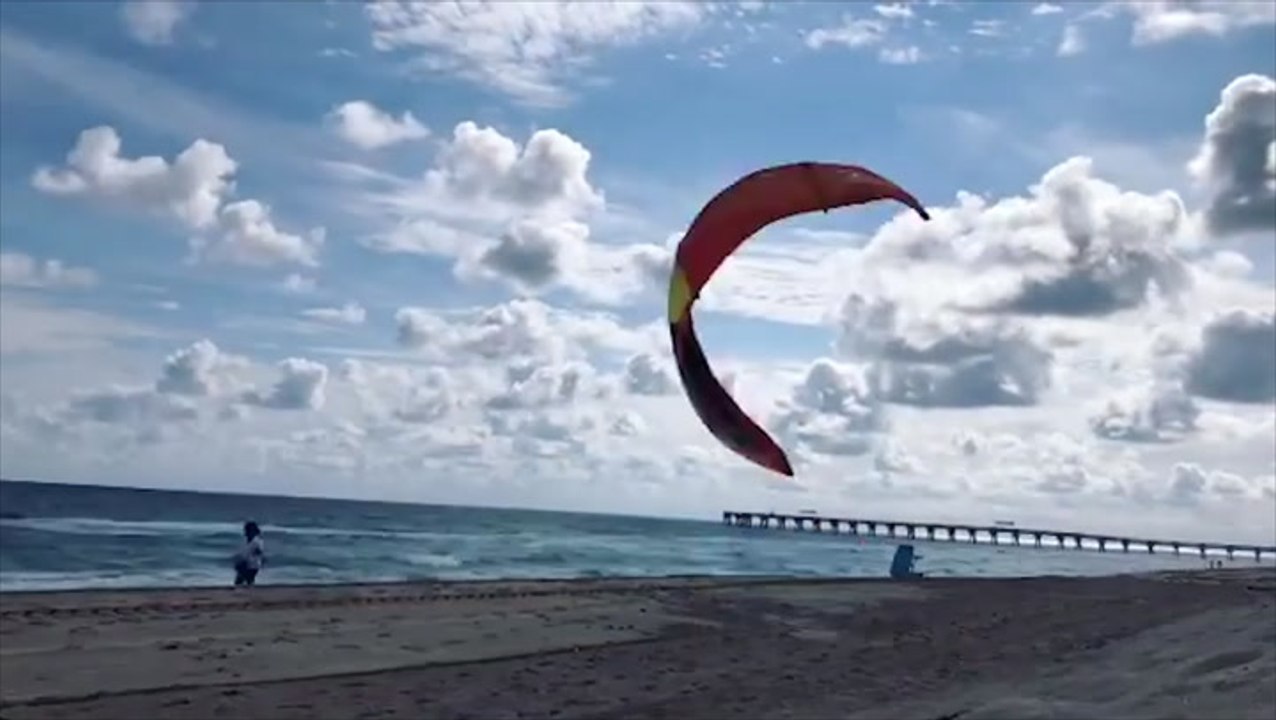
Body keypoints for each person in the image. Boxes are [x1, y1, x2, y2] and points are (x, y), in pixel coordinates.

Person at [233, 521, 266, 587]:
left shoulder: (257, 541)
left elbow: (259, 552)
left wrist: (258, 554)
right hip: (248, 563)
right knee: (247, 580)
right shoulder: (249, 540)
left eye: (247, 530)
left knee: (241, 580)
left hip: (252, 564)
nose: (246, 532)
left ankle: (248, 592)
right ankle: (250, 592)